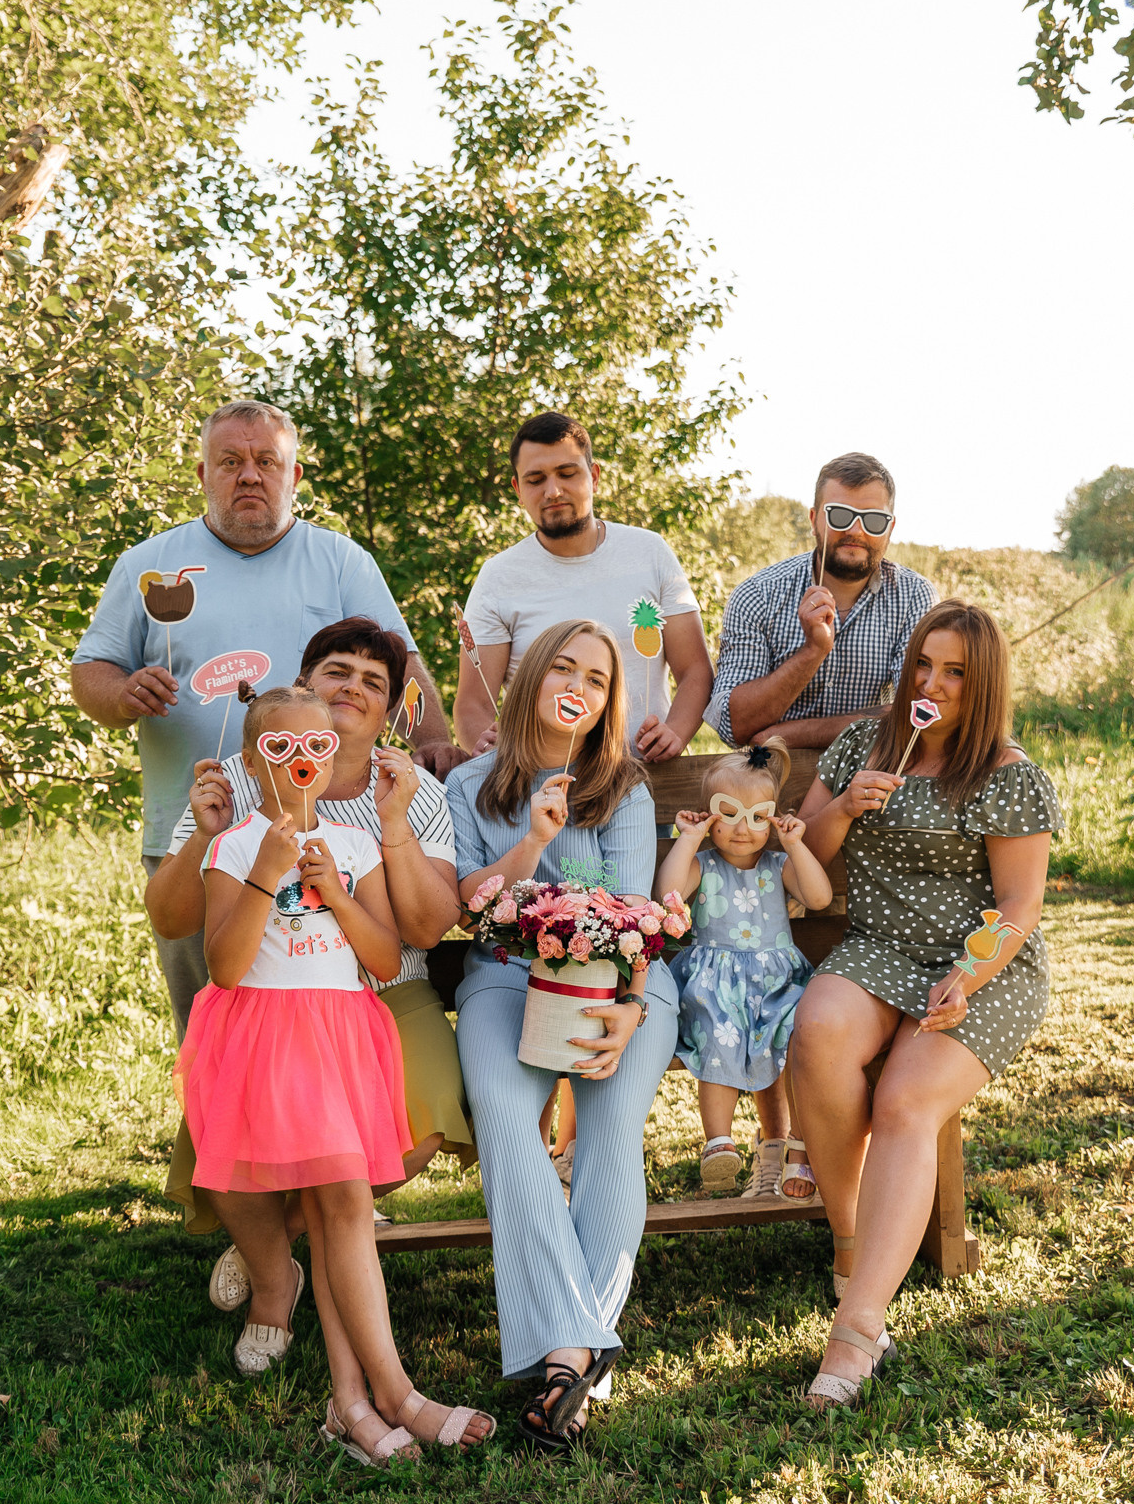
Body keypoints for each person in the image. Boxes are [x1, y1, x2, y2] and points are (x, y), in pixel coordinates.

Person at [71, 399, 457, 1232]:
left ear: (294, 473)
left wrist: (434, 745)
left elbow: (402, 661)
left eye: (267, 461)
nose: (250, 475)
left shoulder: (340, 560)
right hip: (208, 827)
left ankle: (323, 1199)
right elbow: (91, 674)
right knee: (226, 1033)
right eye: (231, 461)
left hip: (340, 838)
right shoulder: (151, 562)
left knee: (329, 1013)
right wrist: (123, 692)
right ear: (204, 470)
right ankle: (255, 1216)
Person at [178, 684, 491, 1461]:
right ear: (254, 762)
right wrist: (268, 871)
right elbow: (223, 967)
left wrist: (333, 892)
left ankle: (358, 1401)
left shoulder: (353, 849)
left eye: (317, 747)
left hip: (343, 1033)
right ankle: (391, 1395)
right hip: (262, 1039)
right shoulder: (232, 845)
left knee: (340, 1210)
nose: (303, 762)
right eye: (281, 750)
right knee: (337, 1208)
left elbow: (384, 958)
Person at [783, 600, 1059, 1409]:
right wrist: (840, 808)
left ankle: (859, 1326)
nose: (932, 684)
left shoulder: (1010, 777)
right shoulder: (867, 745)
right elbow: (803, 853)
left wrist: (966, 979)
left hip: (981, 963)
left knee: (905, 1101)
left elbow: (1018, 908)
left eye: (955, 673)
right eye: (923, 666)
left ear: (984, 685)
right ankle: (851, 1240)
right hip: (880, 949)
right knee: (819, 1030)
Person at [148, 617, 472, 1303]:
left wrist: (394, 827)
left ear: (390, 711)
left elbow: (425, 927)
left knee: (428, 1120)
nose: (354, 686)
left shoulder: (413, 791)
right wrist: (196, 840)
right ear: (306, 685)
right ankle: (275, 1275)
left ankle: (280, 1234)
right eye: (337, 670)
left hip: (388, 990)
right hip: (268, 993)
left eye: (374, 681)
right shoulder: (239, 775)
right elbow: (171, 917)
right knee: (233, 1136)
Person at [444, 619, 682, 1451]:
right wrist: (535, 839)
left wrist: (634, 1006)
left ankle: (562, 1358)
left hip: (620, 982)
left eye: (600, 678)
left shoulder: (623, 788)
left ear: (610, 701)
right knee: (508, 1121)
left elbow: (634, 916)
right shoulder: (472, 784)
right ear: (535, 679)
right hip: (506, 981)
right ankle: (576, 1352)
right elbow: (466, 904)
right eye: (565, 669)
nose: (580, 685)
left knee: (611, 1124)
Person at [457, 411, 711, 765]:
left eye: (567, 473)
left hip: (644, 780)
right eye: (535, 479)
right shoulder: (498, 578)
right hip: (538, 787)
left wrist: (677, 731)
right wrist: (488, 751)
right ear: (518, 489)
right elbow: (473, 703)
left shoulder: (650, 553)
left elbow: (695, 669)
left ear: (593, 476)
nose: (553, 491)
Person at [655, 740, 833, 1199]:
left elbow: (819, 899)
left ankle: (799, 1148)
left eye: (758, 817)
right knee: (718, 1034)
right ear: (708, 814)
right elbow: (668, 897)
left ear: (774, 818)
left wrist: (795, 845)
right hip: (716, 985)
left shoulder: (778, 865)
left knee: (798, 1034)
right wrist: (688, 840)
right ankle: (719, 1142)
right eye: (728, 813)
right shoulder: (701, 864)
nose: (741, 828)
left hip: (779, 986)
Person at [706, 451, 935, 749]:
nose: (856, 530)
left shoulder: (914, 597)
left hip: (866, 777)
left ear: (890, 528)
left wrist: (794, 734)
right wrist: (812, 652)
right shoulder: (757, 596)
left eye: (874, 520)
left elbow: (920, 710)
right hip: (769, 782)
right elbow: (732, 726)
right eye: (840, 515)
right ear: (814, 520)